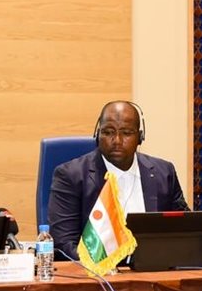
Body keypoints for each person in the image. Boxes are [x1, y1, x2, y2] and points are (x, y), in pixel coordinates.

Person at [48, 101, 188, 259]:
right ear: (97, 135)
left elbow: (186, 231)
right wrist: (106, 267)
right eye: (108, 132)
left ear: (140, 137)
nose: (117, 140)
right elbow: (64, 245)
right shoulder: (71, 176)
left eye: (126, 133)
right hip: (96, 272)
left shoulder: (164, 173)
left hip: (153, 269)